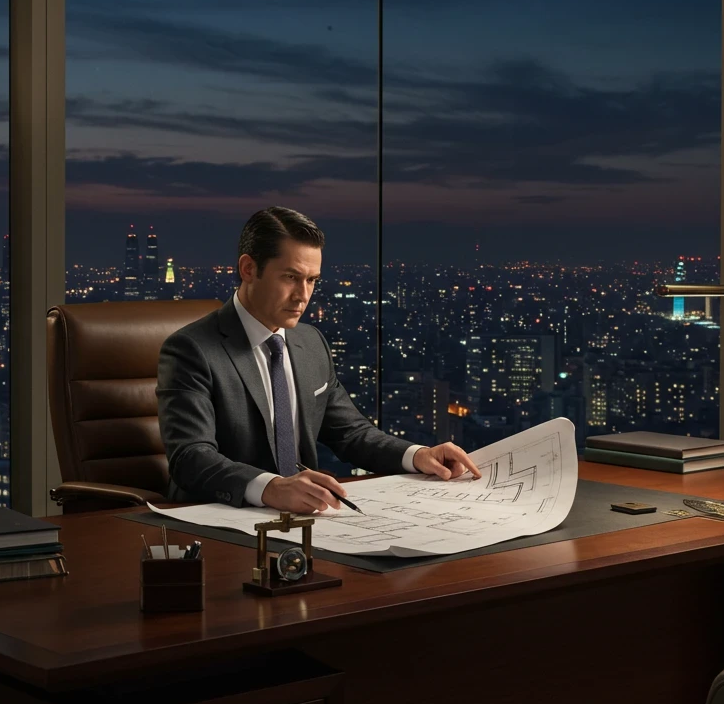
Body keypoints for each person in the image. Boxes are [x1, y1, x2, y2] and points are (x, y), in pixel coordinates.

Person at [157, 206, 481, 514]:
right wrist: (271, 488)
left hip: (305, 520)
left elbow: (351, 433)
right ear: (248, 269)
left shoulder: (310, 343)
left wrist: (418, 456)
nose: (303, 294)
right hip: (217, 520)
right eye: (290, 277)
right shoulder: (191, 349)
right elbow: (191, 457)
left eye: (312, 280)